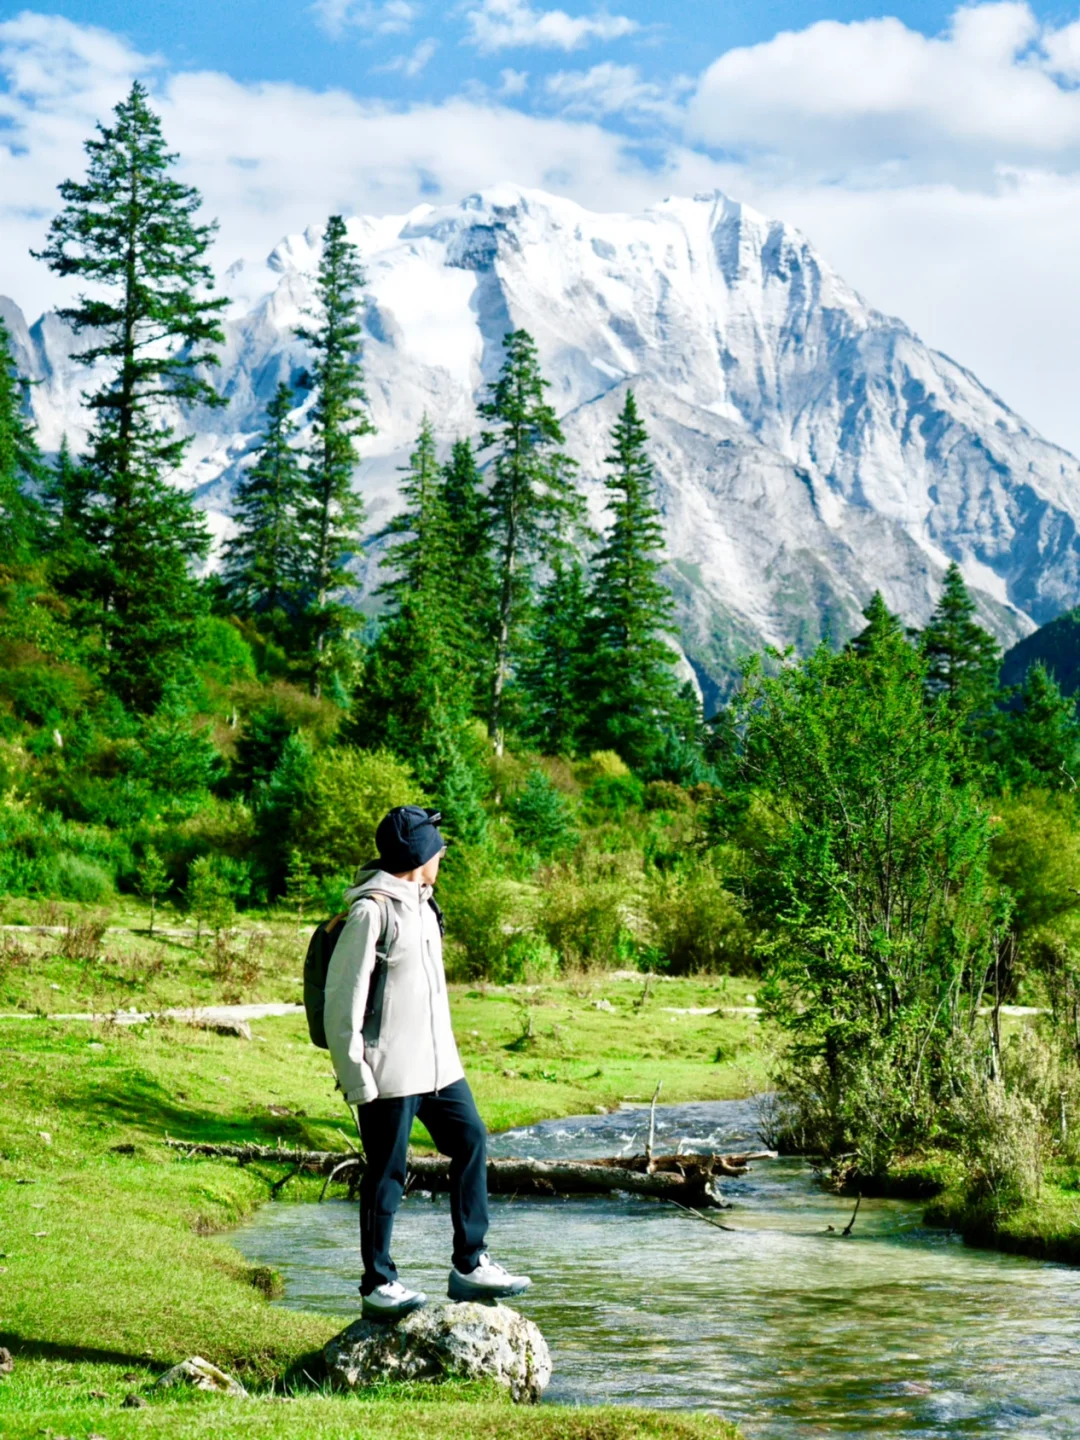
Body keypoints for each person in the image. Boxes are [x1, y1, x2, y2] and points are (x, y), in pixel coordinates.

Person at [323, 804, 531, 1320]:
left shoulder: (426, 906)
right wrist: (356, 1076)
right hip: (388, 1071)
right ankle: (378, 1283)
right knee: (387, 1173)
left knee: (471, 1139)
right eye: (438, 849)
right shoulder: (371, 912)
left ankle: (470, 1264)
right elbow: (342, 1004)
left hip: (439, 1069)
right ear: (418, 856)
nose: (442, 857)